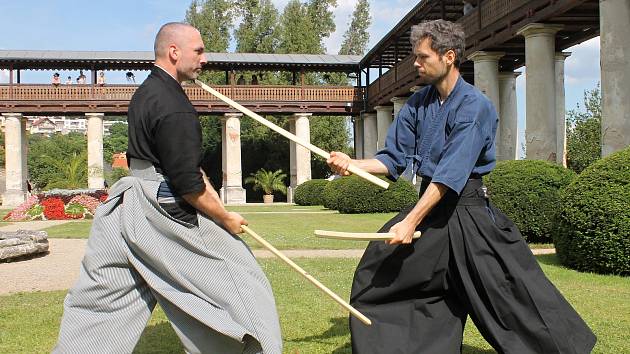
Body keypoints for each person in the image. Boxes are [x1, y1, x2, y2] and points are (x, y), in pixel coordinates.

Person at [327, 19, 596, 354]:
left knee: (509, 294)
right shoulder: (418, 104)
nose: (416, 64)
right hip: (432, 207)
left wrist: (410, 221)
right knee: (379, 274)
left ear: (449, 57)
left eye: (423, 57)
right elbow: (394, 158)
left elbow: (450, 175)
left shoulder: (474, 106)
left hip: (468, 211)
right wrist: (352, 165)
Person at [53, 22, 282, 354]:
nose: (205, 59)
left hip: (125, 207)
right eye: (199, 51)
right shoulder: (175, 107)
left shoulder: (146, 93)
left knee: (104, 298)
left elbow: (174, 163)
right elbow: (186, 183)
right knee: (242, 280)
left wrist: (206, 190)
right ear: (174, 52)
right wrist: (224, 217)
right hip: (162, 207)